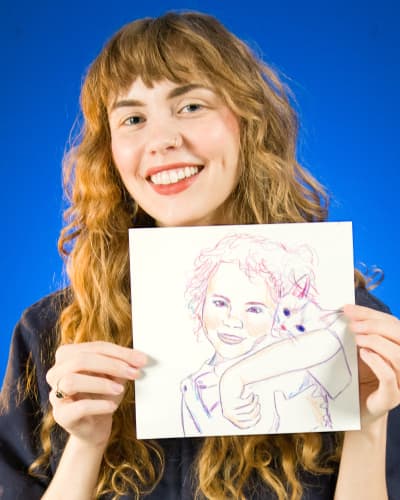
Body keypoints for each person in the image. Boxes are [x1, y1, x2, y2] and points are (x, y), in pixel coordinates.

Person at [0, 10, 399, 500]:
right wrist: (84, 446)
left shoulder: (359, 332)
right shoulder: (49, 335)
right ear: (110, 152)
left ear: (247, 124)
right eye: (133, 119)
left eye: (190, 106)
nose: (162, 141)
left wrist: (369, 427)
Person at [181, 233, 351, 436]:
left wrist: (234, 377)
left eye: (254, 309)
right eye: (220, 303)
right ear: (199, 302)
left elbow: (328, 342)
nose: (233, 321)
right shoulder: (192, 389)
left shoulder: (293, 362)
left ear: (279, 314)